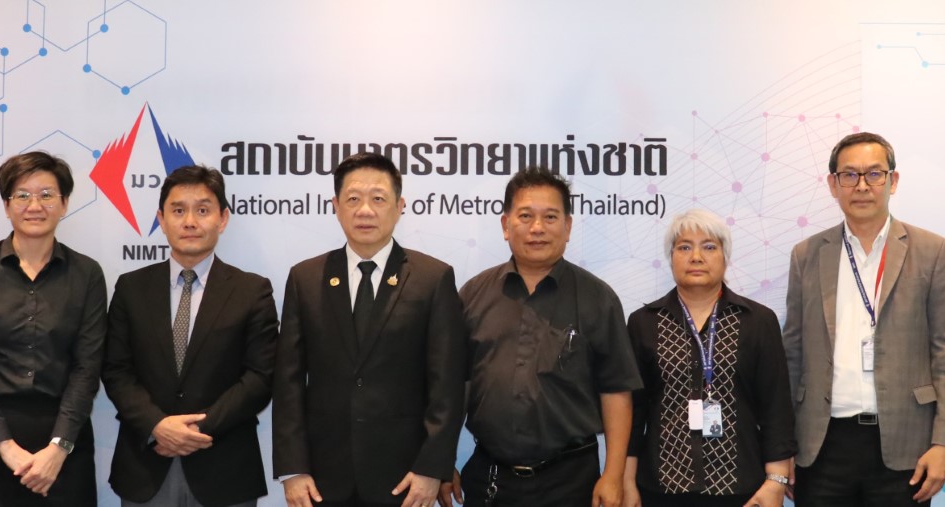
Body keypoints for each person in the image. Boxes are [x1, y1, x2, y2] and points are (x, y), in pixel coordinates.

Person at [272, 152, 467, 507]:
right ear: (336, 206)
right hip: (322, 480)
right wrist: (292, 469)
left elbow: (447, 385)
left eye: (378, 198)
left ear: (399, 206)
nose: (365, 210)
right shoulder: (305, 278)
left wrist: (431, 468)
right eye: (353, 199)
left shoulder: (432, 278)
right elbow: (288, 383)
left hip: (405, 479)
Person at [782, 132, 945, 506]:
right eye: (850, 175)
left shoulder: (932, 251)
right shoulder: (807, 254)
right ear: (833, 184)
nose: (862, 186)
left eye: (874, 174)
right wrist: (782, 446)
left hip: (907, 445)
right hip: (821, 445)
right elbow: (793, 353)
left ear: (892, 181)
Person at [440, 168, 642, 507]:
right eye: (525, 216)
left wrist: (613, 474)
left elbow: (616, 391)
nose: (537, 228)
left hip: (571, 480)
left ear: (568, 226)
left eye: (550, 217)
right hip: (490, 476)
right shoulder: (474, 295)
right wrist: (443, 458)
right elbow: (454, 385)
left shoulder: (598, 299)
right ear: (506, 225)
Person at [103, 165, 278, 507]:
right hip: (146, 465)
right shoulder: (131, 288)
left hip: (224, 468)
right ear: (161, 219)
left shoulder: (252, 291)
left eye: (203, 210)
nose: (190, 222)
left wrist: (196, 430)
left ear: (223, 219)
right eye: (178, 210)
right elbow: (116, 371)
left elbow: (260, 377)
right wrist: (157, 425)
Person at [0, 151, 107, 506]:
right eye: (22, 195)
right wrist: (5, 446)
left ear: (64, 204)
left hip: (62, 444)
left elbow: (87, 367)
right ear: (7, 206)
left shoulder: (87, 274)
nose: (35, 205)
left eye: (47, 195)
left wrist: (58, 448)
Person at [623, 209, 795, 507]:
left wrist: (776, 480)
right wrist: (626, 479)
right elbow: (633, 412)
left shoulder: (758, 321)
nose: (696, 257)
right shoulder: (644, 322)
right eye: (684, 247)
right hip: (662, 487)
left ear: (725, 257)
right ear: (671, 257)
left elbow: (776, 406)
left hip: (742, 488)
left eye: (709, 247)